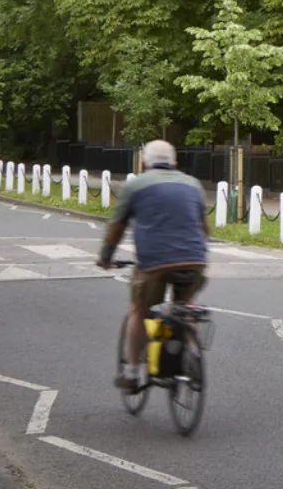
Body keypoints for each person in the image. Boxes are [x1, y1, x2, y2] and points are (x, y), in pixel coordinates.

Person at [98, 139, 211, 390]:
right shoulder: (193, 184)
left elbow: (116, 227)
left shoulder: (136, 185)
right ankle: (191, 350)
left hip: (154, 263)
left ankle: (132, 372)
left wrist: (106, 257)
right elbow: (204, 229)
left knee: (139, 309)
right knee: (184, 306)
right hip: (195, 260)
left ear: (143, 162)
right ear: (174, 163)